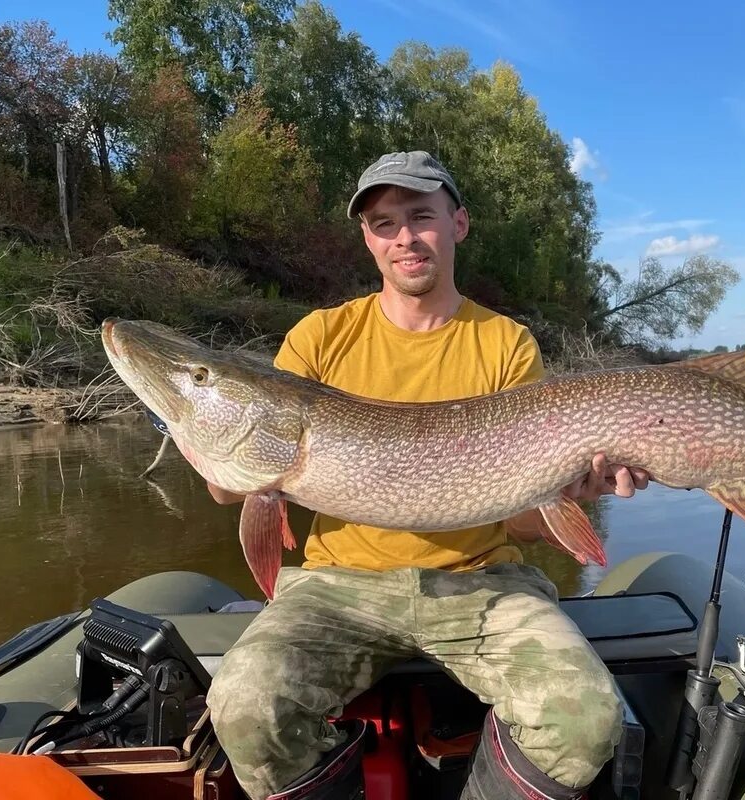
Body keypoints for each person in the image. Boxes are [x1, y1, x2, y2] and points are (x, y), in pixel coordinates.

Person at [204, 151, 651, 800]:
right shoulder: (320, 337)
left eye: (420, 216)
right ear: (368, 239)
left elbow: (522, 520)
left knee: (584, 720)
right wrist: (216, 449)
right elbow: (235, 483)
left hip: (482, 581)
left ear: (458, 224)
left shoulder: (505, 345)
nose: (404, 237)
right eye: (384, 223)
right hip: (338, 584)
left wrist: (571, 486)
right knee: (244, 705)